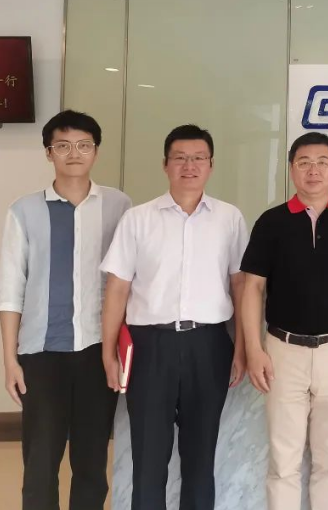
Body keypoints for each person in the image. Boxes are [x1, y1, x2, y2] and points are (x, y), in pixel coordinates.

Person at [99, 124, 249, 510]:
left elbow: (241, 286)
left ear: (211, 165)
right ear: (165, 164)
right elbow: (117, 288)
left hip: (209, 344)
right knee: (148, 458)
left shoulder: (229, 219)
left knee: (200, 457)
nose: (189, 165)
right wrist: (108, 351)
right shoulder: (138, 219)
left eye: (198, 158)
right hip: (150, 346)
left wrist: (243, 347)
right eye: (180, 158)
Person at [0, 110, 131, 510]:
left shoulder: (119, 206)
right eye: (63, 145)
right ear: (48, 153)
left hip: (98, 351)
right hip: (42, 354)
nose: (74, 153)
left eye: (83, 145)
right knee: (40, 463)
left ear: (96, 151)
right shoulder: (23, 211)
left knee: (91, 461)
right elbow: (10, 290)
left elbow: (129, 280)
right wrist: (10, 360)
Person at [241, 132, 328, 510]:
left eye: (322, 162)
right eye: (304, 162)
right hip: (282, 351)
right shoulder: (271, 222)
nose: (313, 170)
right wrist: (254, 349)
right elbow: (253, 288)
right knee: (284, 460)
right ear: (291, 169)